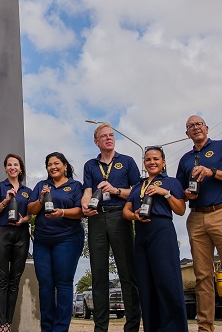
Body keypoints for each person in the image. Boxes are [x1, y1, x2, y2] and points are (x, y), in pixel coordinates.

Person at [175, 116, 222, 332]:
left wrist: (212, 172)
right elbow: (180, 192)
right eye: (191, 126)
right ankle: (205, 328)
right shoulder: (185, 159)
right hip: (196, 217)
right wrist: (186, 194)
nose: (195, 128)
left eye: (199, 124)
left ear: (207, 128)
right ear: (187, 133)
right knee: (202, 276)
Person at [81, 123, 141, 332]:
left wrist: (115, 190)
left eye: (111, 135)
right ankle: (101, 327)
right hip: (97, 217)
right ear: (96, 141)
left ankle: (132, 325)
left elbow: (136, 192)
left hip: (120, 216)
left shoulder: (127, 162)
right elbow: (87, 191)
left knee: (127, 272)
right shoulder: (90, 165)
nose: (108, 138)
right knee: (99, 274)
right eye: (103, 136)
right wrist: (84, 203)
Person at [123, 146, 187, 332]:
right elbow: (126, 211)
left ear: (163, 162)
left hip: (162, 231)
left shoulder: (171, 182)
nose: (152, 162)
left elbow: (181, 210)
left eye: (156, 159)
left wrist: (165, 193)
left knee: (167, 281)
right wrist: (134, 216)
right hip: (142, 233)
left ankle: (173, 328)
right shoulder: (138, 186)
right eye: (148, 159)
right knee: (145, 283)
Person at [28, 152, 84, 332]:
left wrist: (62, 212)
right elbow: (32, 209)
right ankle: (46, 328)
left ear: (65, 165)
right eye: (49, 164)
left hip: (68, 238)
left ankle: (60, 328)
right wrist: (41, 199)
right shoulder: (42, 185)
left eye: (57, 163)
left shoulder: (75, 186)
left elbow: (80, 211)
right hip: (42, 240)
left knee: (63, 284)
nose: (53, 167)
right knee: (45, 285)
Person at [0, 154, 32, 332]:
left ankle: (9, 323)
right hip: (2, 233)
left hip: (21, 234)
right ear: (5, 168)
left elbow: (31, 214)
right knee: (2, 280)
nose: (13, 167)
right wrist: (6, 199)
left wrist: (24, 220)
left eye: (16, 164)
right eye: (9, 165)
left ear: (20, 169)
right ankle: (1, 324)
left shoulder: (27, 191)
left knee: (14, 280)